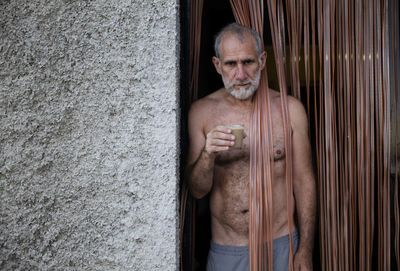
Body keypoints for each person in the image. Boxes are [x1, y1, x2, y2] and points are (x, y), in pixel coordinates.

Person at [185, 23, 316, 271]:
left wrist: (305, 249)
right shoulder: (202, 113)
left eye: (248, 62)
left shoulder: (290, 110)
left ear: (262, 60)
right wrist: (208, 154)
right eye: (231, 64)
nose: (241, 75)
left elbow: (304, 182)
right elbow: (197, 191)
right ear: (216, 65)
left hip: (282, 244)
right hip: (228, 251)